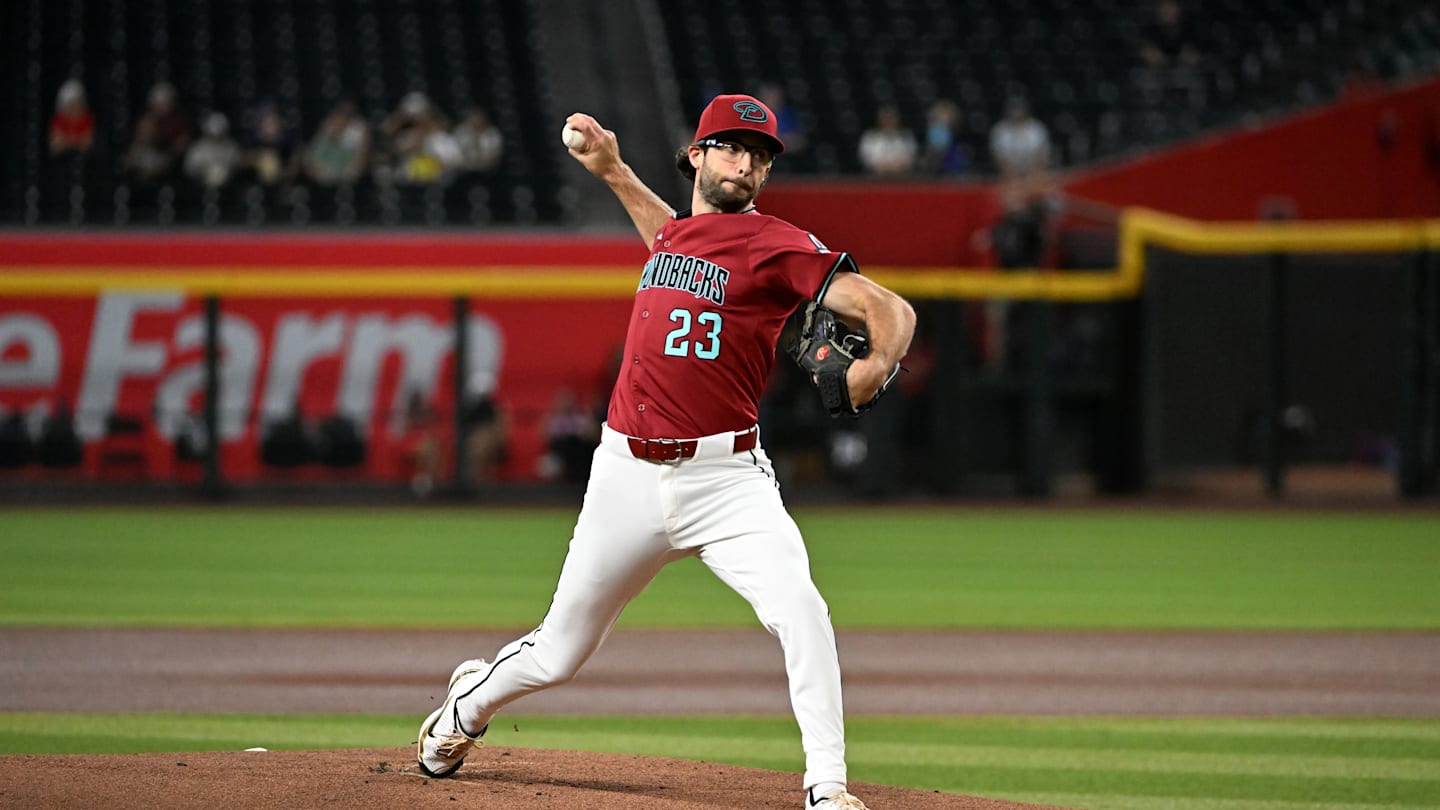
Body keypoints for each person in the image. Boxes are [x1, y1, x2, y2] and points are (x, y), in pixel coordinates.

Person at [415, 93, 915, 810]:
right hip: (626, 476)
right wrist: (614, 170)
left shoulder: (774, 244)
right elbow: (673, 239)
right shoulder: (679, 238)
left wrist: (873, 367)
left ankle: (827, 789)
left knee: (801, 609)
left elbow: (891, 311)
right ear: (697, 154)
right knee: (559, 652)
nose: (746, 162)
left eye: (760, 155)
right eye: (733, 147)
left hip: (727, 482)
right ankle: (464, 710)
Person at [122, 81, 190, 185]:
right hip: (149, 154)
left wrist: (169, 153)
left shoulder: (177, 121)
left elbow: (178, 147)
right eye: (157, 104)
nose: (160, 107)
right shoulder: (147, 119)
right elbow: (140, 141)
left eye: (163, 103)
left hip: (167, 157)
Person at [301, 99, 370, 185]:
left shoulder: (358, 130)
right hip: (321, 178)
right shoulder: (327, 127)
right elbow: (312, 157)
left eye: (347, 114)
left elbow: (358, 165)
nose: (343, 117)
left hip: (345, 179)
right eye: (340, 112)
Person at [183, 112, 243, 189]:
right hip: (201, 186)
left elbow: (237, 164)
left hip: (227, 188)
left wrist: (226, 171)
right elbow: (189, 169)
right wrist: (204, 172)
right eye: (213, 134)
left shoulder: (231, 146)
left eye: (220, 133)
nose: (216, 137)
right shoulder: (198, 147)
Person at [857, 103, 917, 175]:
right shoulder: (869, 137)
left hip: (902, 176)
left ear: (897, 119)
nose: (888, 121)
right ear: (879, 120)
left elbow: (912, 157)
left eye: (891, 118)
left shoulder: (906, 136)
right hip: (875, 176)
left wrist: (898, 166)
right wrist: (881, 166)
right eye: (885, 118)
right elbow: (865, 158)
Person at [48, 79, 95, 157]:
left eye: (76, 103)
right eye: (70, 103)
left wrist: (67, 141)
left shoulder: (86, 118)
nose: (73, 107)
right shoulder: (59, 119)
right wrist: (76, 141)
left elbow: (88, 143)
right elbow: (55, 145)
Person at [451, 106, 504, 174]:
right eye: (474, 119)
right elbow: (457, 150)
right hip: (465, 170)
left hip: (488, 170)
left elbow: (495, 154)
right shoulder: (461, 132)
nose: (476, 122)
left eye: (479, 119)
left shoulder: (492, 134)